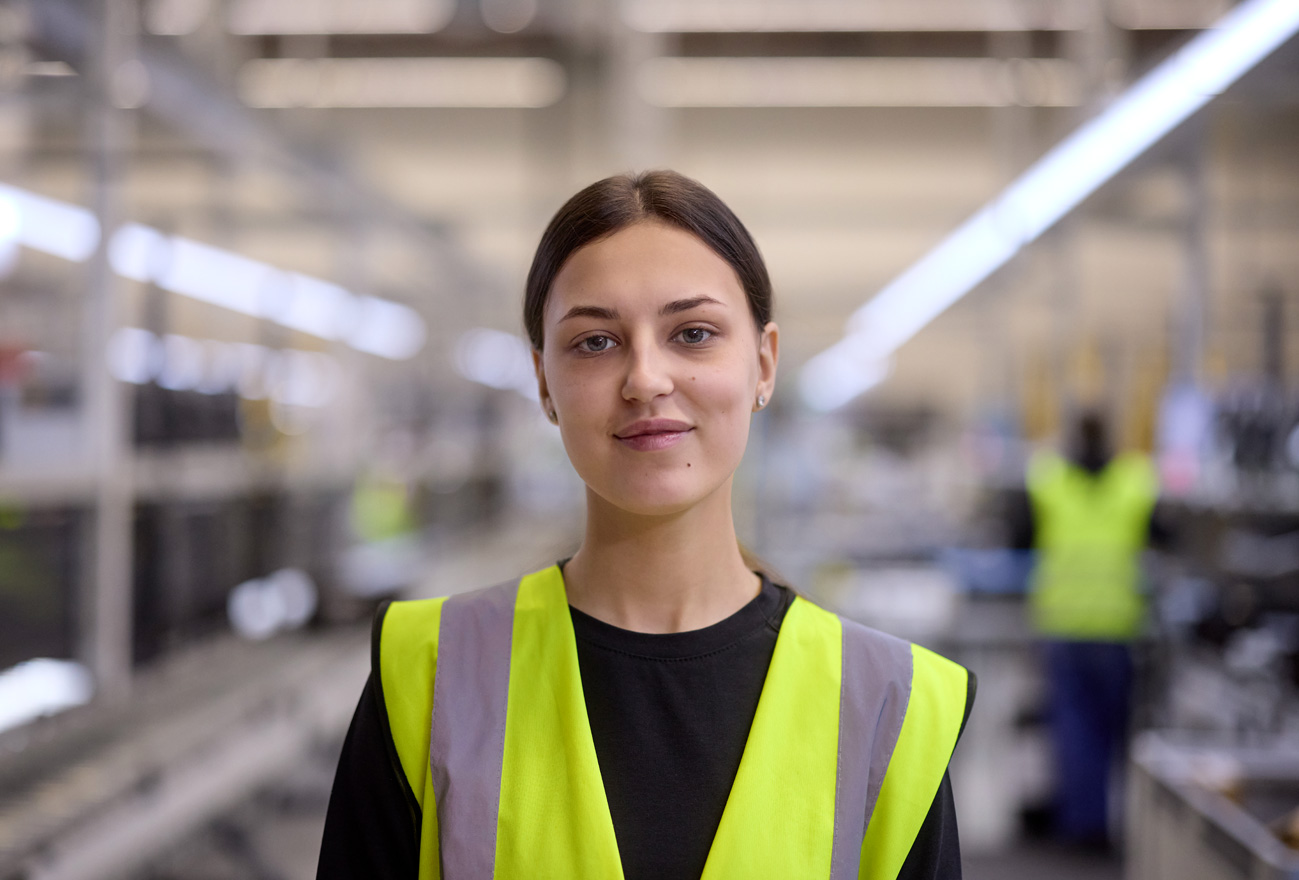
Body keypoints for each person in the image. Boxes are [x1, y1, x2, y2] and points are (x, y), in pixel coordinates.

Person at [317, 171, 975, 880]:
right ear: (543, 383)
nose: (645, 379)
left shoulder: (887, 706)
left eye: (692, 334)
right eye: (595, 342)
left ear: (762, 363)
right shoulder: (426, 675)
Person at [1022, 411, 1157, 847]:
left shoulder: (1049, 480)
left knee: (1074, 729)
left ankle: (1082, 823)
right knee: (1114, 731)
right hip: (1117, 626)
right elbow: (1162, 534)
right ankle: (1109, 822)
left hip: (1064, 624)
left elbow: (1020, 534)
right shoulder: (1135, 482)